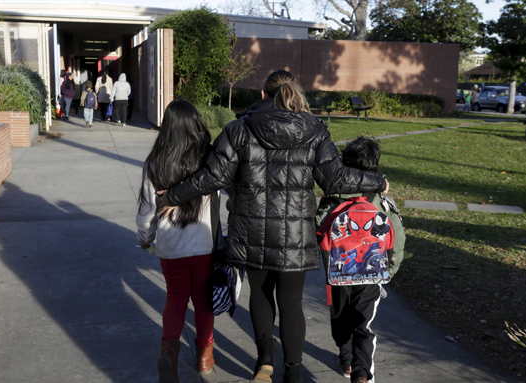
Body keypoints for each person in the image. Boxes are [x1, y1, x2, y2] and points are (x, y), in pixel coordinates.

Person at [158, 70, 389, 383]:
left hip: (251, 233)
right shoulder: (315, 129)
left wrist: (172, 195)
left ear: (263, 94)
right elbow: (335, 178)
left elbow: (213, 177)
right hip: (295, 234)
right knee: (291, 303)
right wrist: (379, 181)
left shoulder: (238, 129)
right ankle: (292, 372)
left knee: (260, 295)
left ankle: (264, 362)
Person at [136, 99, 216, 383]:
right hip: (204, 244)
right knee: (203, 302)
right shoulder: (208, 159)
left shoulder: (155, 163)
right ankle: (205, 358)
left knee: (176, 298)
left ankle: (169, 354)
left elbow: (147, 210)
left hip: (171, 247)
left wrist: (145, 237)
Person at [315, 137, 405, 383]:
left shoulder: (333, 199)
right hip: (372, 275)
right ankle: (362, 374)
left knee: (340, 318)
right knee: (363, 325)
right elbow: (397, 237)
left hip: (338, 275)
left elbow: (320, 233)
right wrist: (392, 268)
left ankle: (346, 361)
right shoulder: (383, 203)